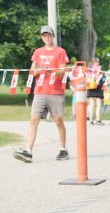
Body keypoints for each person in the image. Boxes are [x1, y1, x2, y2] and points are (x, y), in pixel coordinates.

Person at [13, 25, 70, 163]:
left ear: (53, 36)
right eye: (44, 35)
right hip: (39, 91)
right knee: (34, 120)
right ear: (41, 37)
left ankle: (63, 149)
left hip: (55, 92)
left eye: (49, 35)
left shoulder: (60, 52)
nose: (47, 37)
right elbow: (33, 71)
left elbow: (63, 72)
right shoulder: (38, 52)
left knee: (58, 121)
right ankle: (28, 151)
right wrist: (38, 70)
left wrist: (51, 71)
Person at [86, 57, 105, 125]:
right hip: (98, 86)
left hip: (90, 86)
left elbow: (86, 78)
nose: (99, 63)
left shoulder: (88, 69)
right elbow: (102, 77)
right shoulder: (99, 68)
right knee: (98, 104)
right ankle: (98, 119)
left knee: (91, 104)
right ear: (96, 62)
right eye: (98, 61)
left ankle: (91, 120)